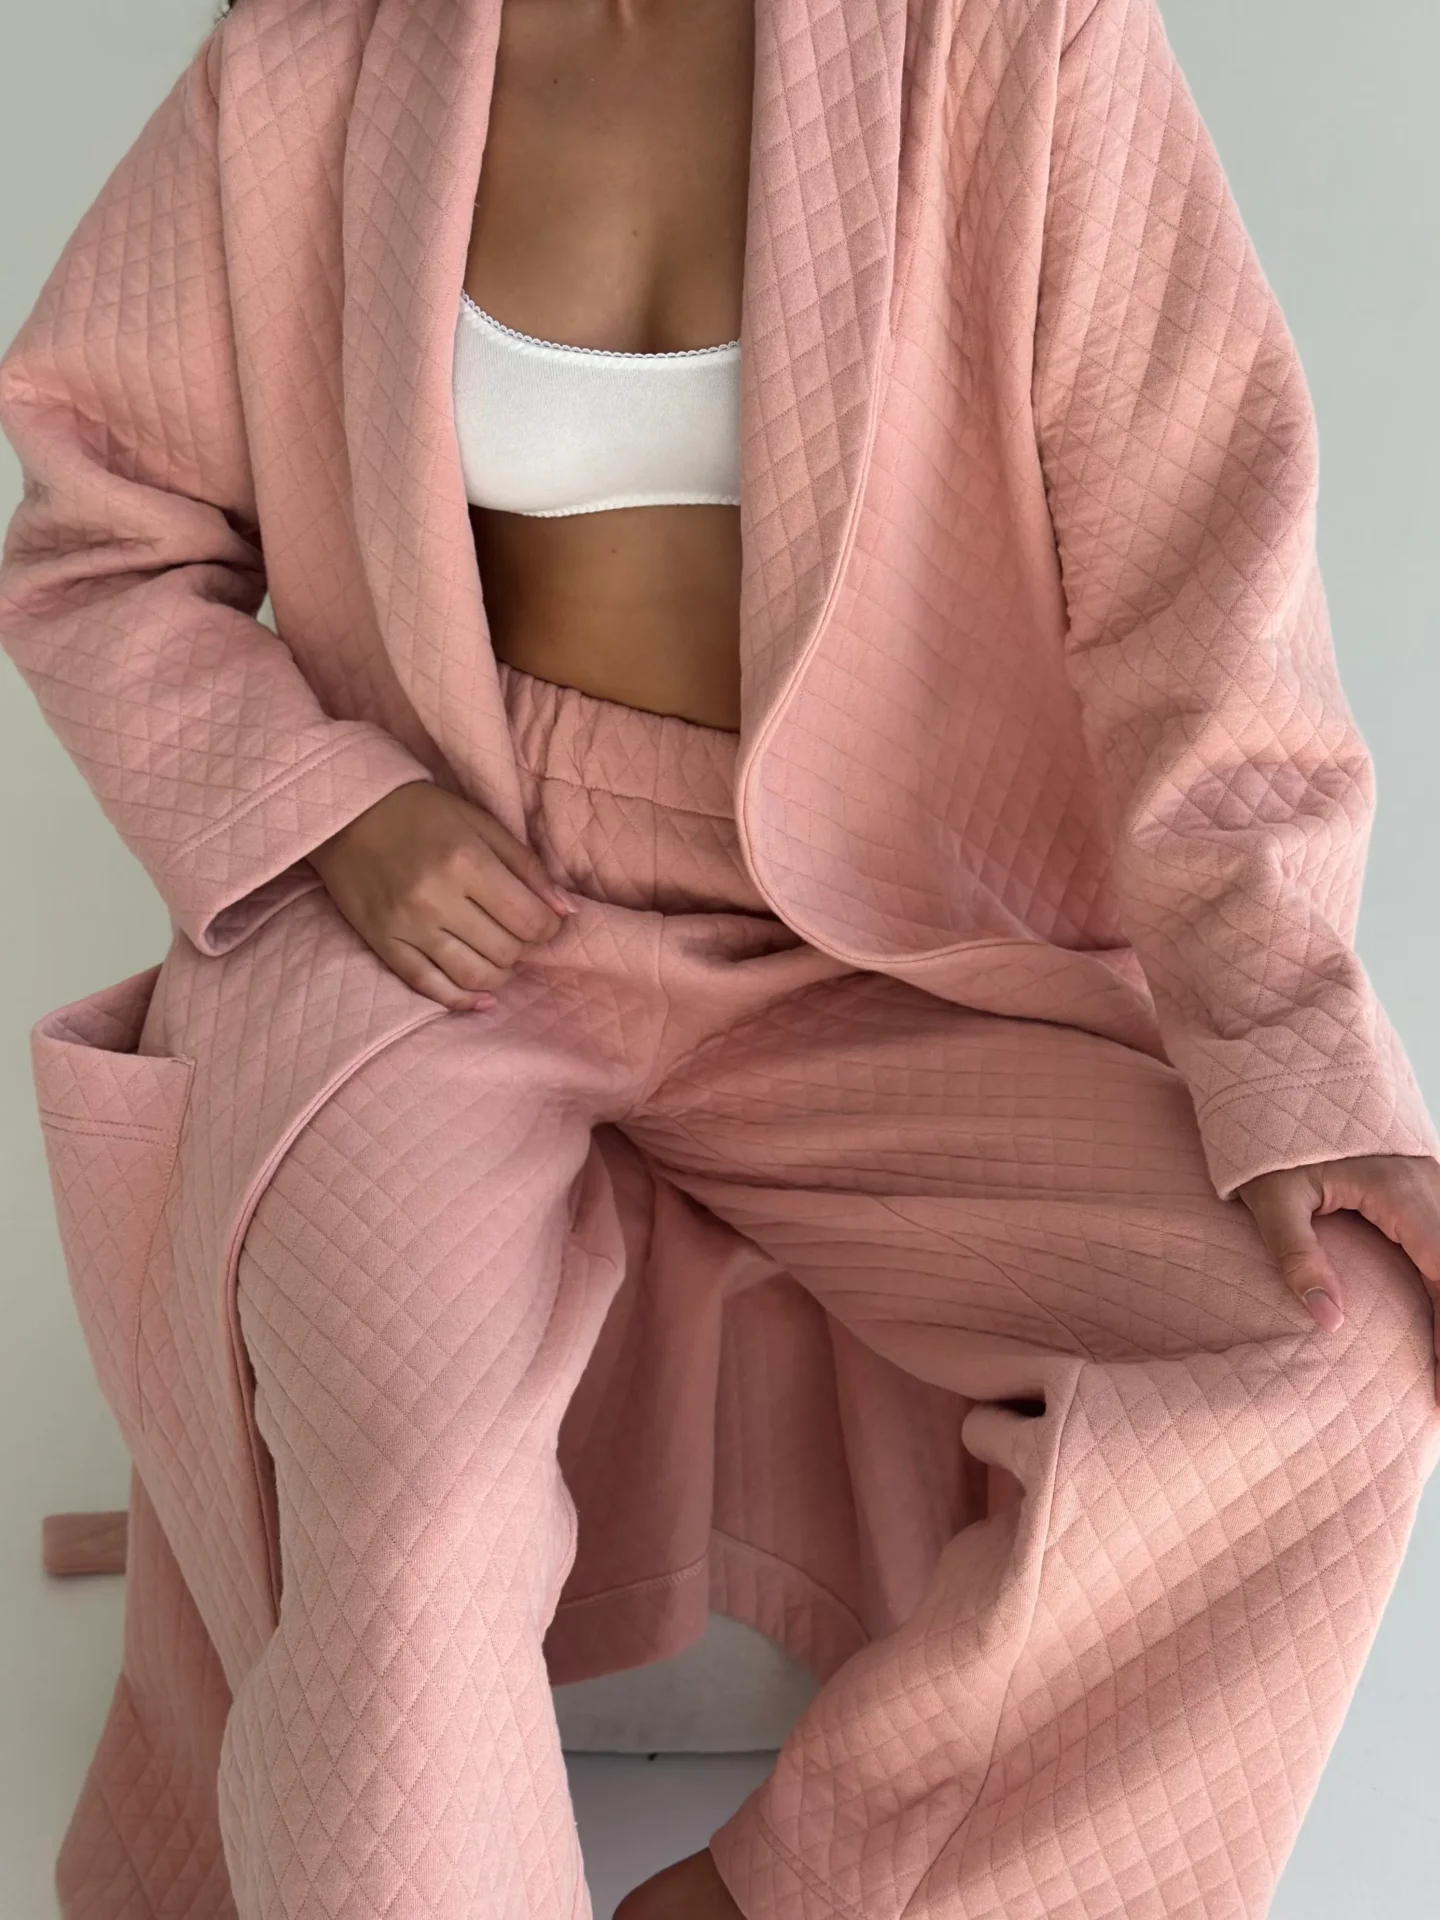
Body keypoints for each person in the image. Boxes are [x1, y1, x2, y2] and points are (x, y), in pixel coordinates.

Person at [2, 0, 1438, 1916]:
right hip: (446, 913)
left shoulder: (1020, 40)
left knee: (1337, 1337)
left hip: (889, 934)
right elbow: (102, 536)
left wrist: (1289, 1045)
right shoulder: (315, 58)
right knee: (411, 1524)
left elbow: (1199, 585)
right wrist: (331, 806)